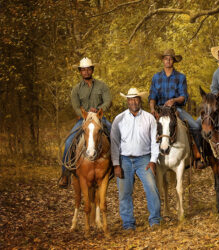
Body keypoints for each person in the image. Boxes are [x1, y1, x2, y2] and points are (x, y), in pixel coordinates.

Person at [111, 88, 161, 230]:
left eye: (136, 99)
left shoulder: (149, 118)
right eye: (130, 99)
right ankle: (128, 224)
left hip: (144, 159)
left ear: (140, 100)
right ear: (127, 101)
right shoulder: (119, 119)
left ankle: (155, 220)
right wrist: (116, 164)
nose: (133, 102)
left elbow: (154, 141)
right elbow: (114, 143)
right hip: (124, 159)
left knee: (152, 188)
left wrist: (153, 160)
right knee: (124, 192)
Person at [58, 57, 112, 188]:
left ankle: (118, 167)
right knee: (69, 141)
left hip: (100, 119)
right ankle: (65, 174)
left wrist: (99, 110)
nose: (86, 72)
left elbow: (108, 101)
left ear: (92, 70)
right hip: (84, 120)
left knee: (115, 136)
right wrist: (85, 115)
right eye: (83, 70)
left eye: (88, 69)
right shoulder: (76, 89)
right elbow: (76, 107)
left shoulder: (102, 86)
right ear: (80, 72)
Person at [149, 48, 204, 168]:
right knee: (145, 128)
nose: (168, 60)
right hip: (159, 110)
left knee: (195, 126)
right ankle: (145, 158)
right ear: (163, 60)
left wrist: (174, 100)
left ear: (173, 61)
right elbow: (152, 96)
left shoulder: (180, 77)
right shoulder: (156, 77)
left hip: (175, 109)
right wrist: (152, 109)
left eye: (170, 59)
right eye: (166, 58)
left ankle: (198, 154)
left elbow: (184, 96)